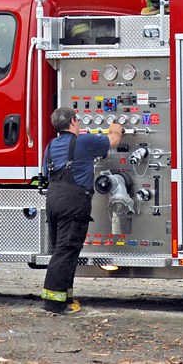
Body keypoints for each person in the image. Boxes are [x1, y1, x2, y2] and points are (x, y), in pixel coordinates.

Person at [41, 107, 122, 314]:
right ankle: (54, 302)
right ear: (74, 122)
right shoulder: (84, 142)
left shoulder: (50, 147)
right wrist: (117, 128)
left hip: (53, 201)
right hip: (73, 202)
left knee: (65, 250)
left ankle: (65, 297)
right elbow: (112, 141)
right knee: (66, 250)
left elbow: (46, 174)